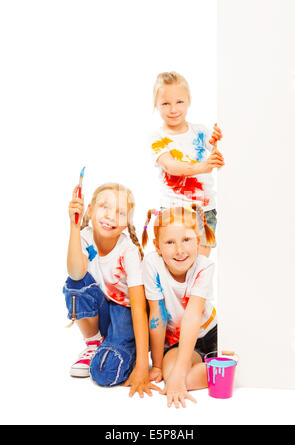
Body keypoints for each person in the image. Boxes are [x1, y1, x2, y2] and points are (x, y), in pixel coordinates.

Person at [63, 182, 160, 397]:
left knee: (103, 373)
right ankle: (94, 343)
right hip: (102, 311)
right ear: (90, 210)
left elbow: (138, 310)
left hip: (125, 316)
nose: (110, 216)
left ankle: (129, 350)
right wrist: (74, 225)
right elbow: (76, 274)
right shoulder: (84, 236)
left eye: (120, 212)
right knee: (74, 284)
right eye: (104, 207)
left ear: (127, 222)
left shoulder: (129, 252)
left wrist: (143, 364)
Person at [142, 206, 217, 408]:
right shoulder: (152, 264)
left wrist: (181, 372)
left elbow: (193, 315)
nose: (180, 250)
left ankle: (215, 359)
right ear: (158, 247)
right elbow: (157, 315)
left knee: (181, 378)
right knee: (170, 375)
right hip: (175, 341)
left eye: (186, 240)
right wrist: (157, 365)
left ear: (198, 241)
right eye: (170, 242)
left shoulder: (204, 266)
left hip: (208, 334)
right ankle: (213, 363)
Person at [151, 71, 224, 257]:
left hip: (204, 212)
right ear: (156, 105)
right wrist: (202, 167)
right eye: (166, 103)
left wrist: (218, 140)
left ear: (189, 101)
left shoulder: (200, 131)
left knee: (200, 266)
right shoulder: (158, 138)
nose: (173, 109)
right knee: (174, 265)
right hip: (173, 212)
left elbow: (219, 153)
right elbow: (170, 166)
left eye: (179, 102)